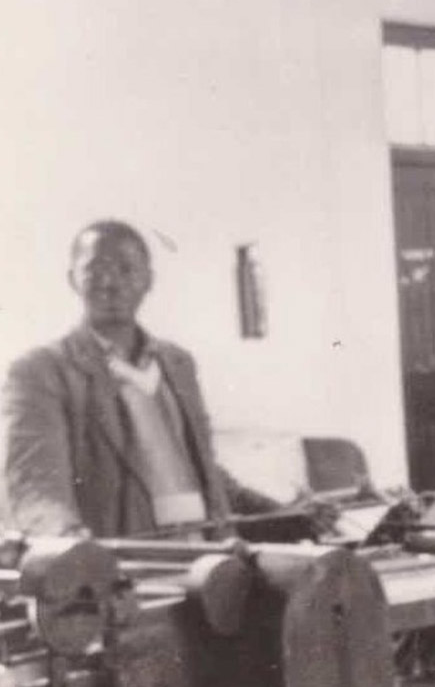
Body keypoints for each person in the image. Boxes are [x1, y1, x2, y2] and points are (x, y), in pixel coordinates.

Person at [4, 220, 279, 537]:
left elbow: (204, 474)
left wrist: (286, 515)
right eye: (95, 270)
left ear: (148, 280)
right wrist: (69, 542)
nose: (111, 283)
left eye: (126, 269)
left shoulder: (178, 363)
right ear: (72, 279)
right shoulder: (40, 371)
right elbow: (35, 488)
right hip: (124, 568)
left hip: (209, 556)